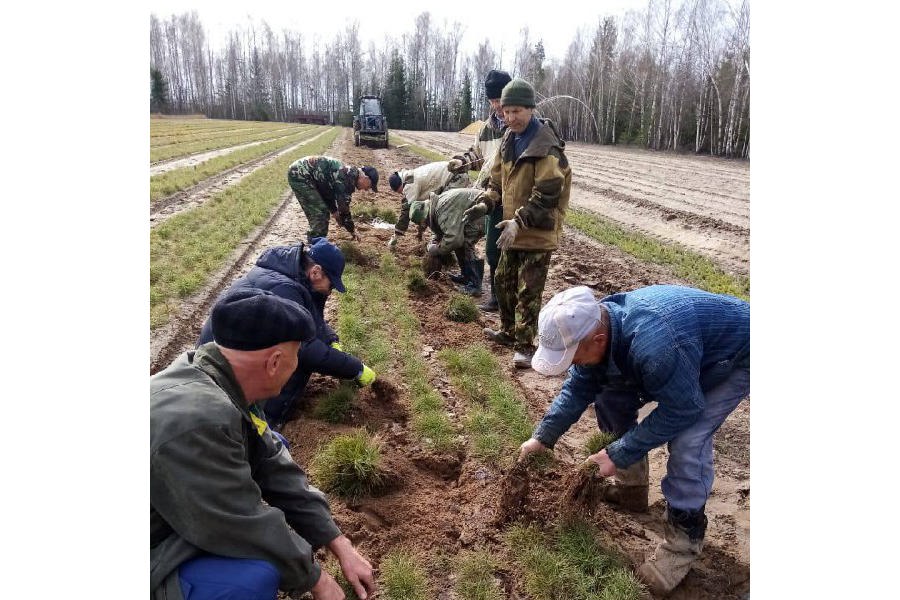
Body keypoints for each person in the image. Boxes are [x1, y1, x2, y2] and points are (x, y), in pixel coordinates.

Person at [518, 285, 750, 596]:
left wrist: (616, 454)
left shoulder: (656, 347)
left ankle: (682, 546)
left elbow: (683, 408)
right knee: (610, 397)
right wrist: (542, 438)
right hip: (681, 348)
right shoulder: (600, 330)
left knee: (688, 438)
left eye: (573, 357)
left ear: (597, 340)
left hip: (736, 353)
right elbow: (577, 389)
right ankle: (632, 489)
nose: (572, 365)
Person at [152, 288, 377, 600]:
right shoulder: (200, 419)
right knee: (251, 581)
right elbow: (238, 520)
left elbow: (274, 464)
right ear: (274, 362)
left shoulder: (216, 378)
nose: (297, 364)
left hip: (165, 520)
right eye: (296, 355)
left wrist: (337, 542)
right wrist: (317, 580)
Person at [197, 238, 376, 431]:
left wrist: (330, 339)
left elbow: (309, 318)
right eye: (331, 285)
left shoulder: (294, 278)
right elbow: (305, 348)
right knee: (292, 360)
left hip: (237, 352)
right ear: (315, 272)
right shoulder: (284, 288)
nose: (330, 291)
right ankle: (267, 426)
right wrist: (354, 368)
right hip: (225, 371)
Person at [463, 78, 571, 369]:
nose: (510, 117)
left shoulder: (545, 147)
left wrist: (517, 221)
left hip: (536, 231)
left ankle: (525, 346)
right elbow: (497, 179)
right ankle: (508, 332)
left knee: (529, 291)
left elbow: (547, 194)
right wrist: (486, 203)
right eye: (506, 111)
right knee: (502, 281)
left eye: (517, 112)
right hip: (512, 229)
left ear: (531, 109)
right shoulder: (510, 139)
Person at [452, 69, 511, 312]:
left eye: (500, 100)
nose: (496, 106)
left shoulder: (516, 124)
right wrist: (460, 161)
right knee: (492, 249)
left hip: (514, 197)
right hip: (492, 197)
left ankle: (510, 300)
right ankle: (497, 297)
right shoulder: (487, 128)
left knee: (512, 253)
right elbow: (478, 156)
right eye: (492, 101)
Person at [407, 187, 487, 295]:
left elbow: (454, 239)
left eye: (423, 222)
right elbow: (444, 229)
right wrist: (435, 241)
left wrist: (437, 249)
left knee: (465, 243)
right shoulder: (435, 206)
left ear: (425, 215)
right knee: (460, 241)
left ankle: (474, 285)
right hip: (473, 212)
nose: (424, 225)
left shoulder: (442, 211)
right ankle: (466, 276)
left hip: (482, 213)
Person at [287, 155, 379, 242]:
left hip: (304, 174)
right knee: (320, 213)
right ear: (365, 177)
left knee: (322, 210)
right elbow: (344, 210)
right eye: (370, 186)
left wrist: (334, 212)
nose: (367, 189)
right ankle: (315, 247)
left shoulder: (349, 174)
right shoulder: (347, 179)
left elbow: (327, 192)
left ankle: (318, 243)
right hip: (300, 174)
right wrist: (352, 231)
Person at [387, 160, 470, 248]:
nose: (402, 193)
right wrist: (420, 230)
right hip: (452, 175)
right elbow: (425, 208)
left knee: (444, 210)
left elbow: (406, 211)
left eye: (400, 191)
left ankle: (446, 243)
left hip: (455, 177)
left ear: (400, 185)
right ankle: (441, 238)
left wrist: (395, 236)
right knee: (436, 208)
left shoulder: (409, 184)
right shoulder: (408, 176)